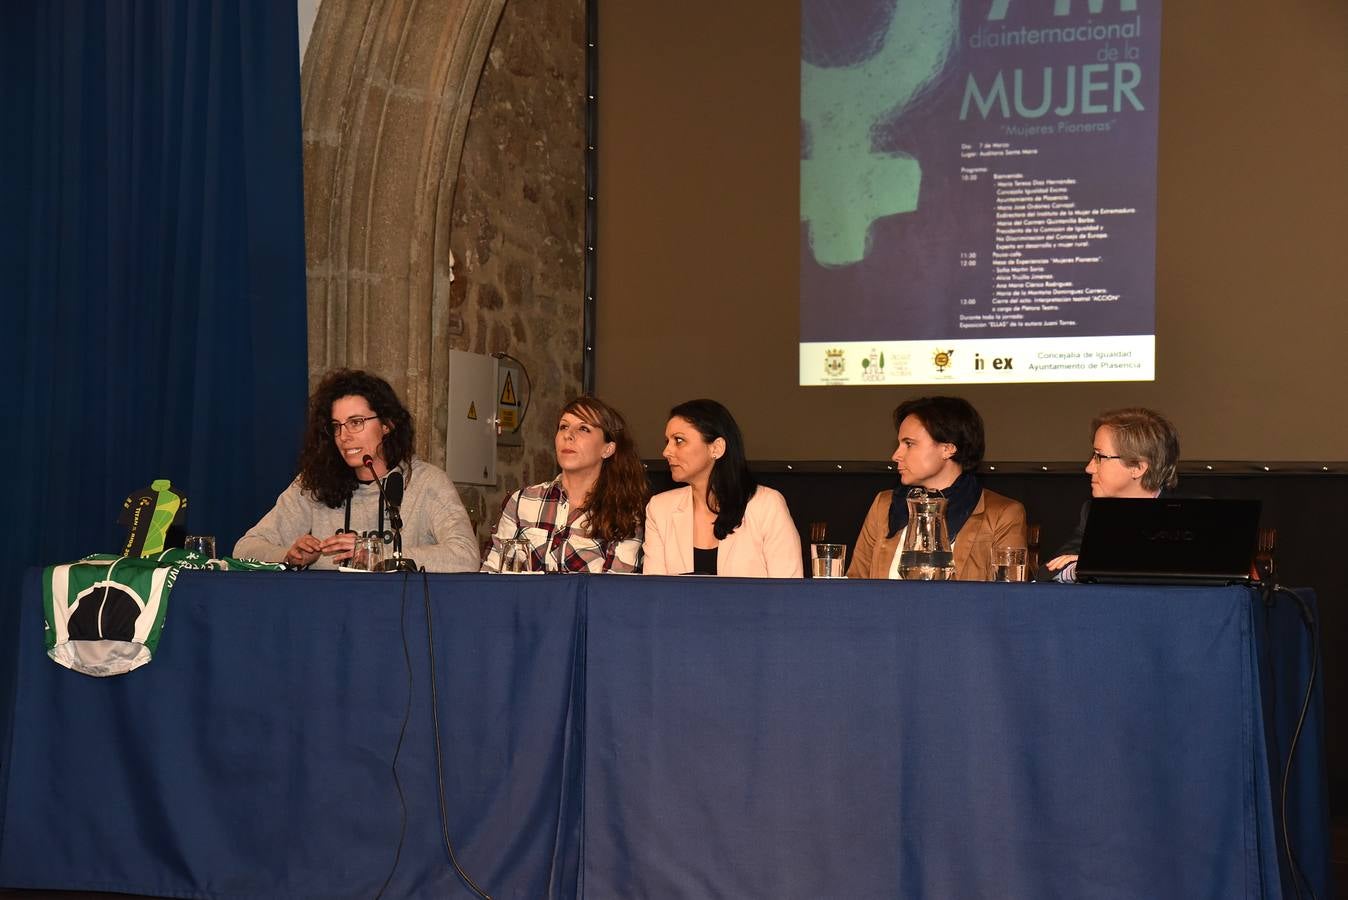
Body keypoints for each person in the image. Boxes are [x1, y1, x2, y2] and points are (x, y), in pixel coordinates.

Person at [234, 369, 479, 572]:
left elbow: (465, 556)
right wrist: (287, 555)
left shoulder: (426, 483)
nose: (344, 436)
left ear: (387, 424)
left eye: (356, 422)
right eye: (337, 426)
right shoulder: (313, 484)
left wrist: (376, 554)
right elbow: (245, 548)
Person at [847, 396, 1026, 581]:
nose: (896, 455)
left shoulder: (1001, 514)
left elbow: (1008, 597)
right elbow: (855, 583)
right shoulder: (884, 506)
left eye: (908, 444)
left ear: (948, 449)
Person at [482, 396, 647, 573]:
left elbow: (614, 592)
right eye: (564, 427)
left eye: (584, 428)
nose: (568, 435)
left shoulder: (625, 513)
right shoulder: (522, 501)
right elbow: (489, 577)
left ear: (608, 449)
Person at [644, 399, 802, 577]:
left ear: (716, 448)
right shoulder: (660, 509)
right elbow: (654, 594)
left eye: (679, 441)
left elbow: (788, 593)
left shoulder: (766, 505)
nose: (667, 451)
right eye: (667, 441)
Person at [1043, 407, 1180, 582]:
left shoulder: (1194, 514)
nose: (1089, 468)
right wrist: (1077, 570)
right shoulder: (1094, 511)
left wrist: (1104, 565)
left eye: (1100, 457)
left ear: (1138, 467)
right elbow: (1049, 570)